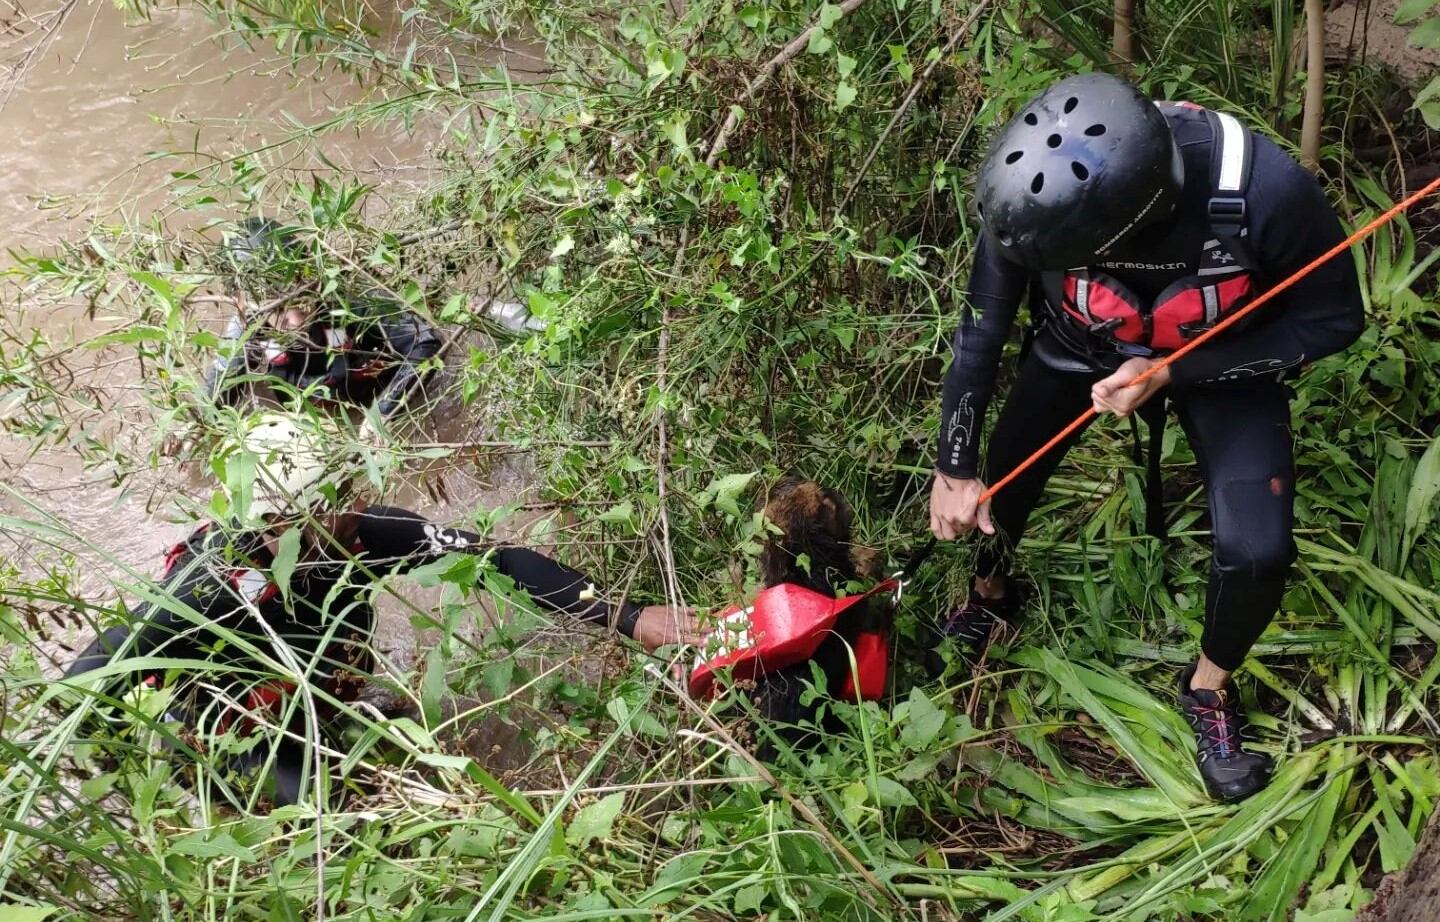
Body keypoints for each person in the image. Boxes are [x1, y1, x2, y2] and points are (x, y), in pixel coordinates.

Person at [927, 73, 1363, 802]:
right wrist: (954, 465)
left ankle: (1207, 688)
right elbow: (980, 337)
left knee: (1258, 552)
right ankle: (992, 593)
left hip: (1217, 357)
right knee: (989, 493)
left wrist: (1175, 370)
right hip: (1081, 343)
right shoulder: (1032, 202)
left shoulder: (1265, 193)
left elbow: (1332, 321)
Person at [66, 413, 698, 805]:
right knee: (332, 814)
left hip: (314, 691)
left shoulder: (365, 534)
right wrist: (120, 773)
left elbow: (498, 557)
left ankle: (339, 716)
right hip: (242, 732)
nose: (360, 501)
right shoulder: (214, 586)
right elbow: (88, 678)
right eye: (340, 496)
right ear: (285, 518)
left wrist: (627, 616)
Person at [199, 218, 442, 423]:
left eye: (301, 298)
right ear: (242, 304)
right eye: (278, 309)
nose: (295, 321)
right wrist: (191, 431)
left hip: (380, 392)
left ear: (310, 276)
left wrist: (381, 415)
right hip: (319, 411)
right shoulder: (245, 329)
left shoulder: (349, 293)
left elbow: (426, 344)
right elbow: (212, 406)